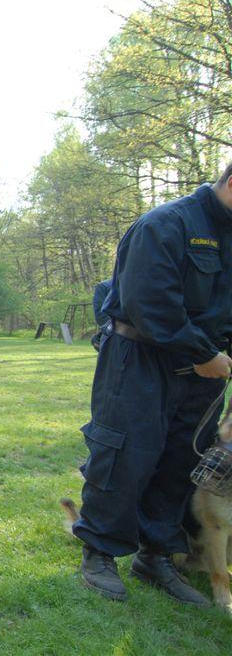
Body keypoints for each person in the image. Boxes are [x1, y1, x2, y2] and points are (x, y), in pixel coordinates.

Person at [73, 166, 232, 605]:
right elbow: (149, 303)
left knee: (183, 458)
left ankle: (156, 555)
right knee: (123, 453)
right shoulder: (165, 224)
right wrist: (202, 354)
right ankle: (99, 552)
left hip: (205, 373)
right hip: (140, 358)